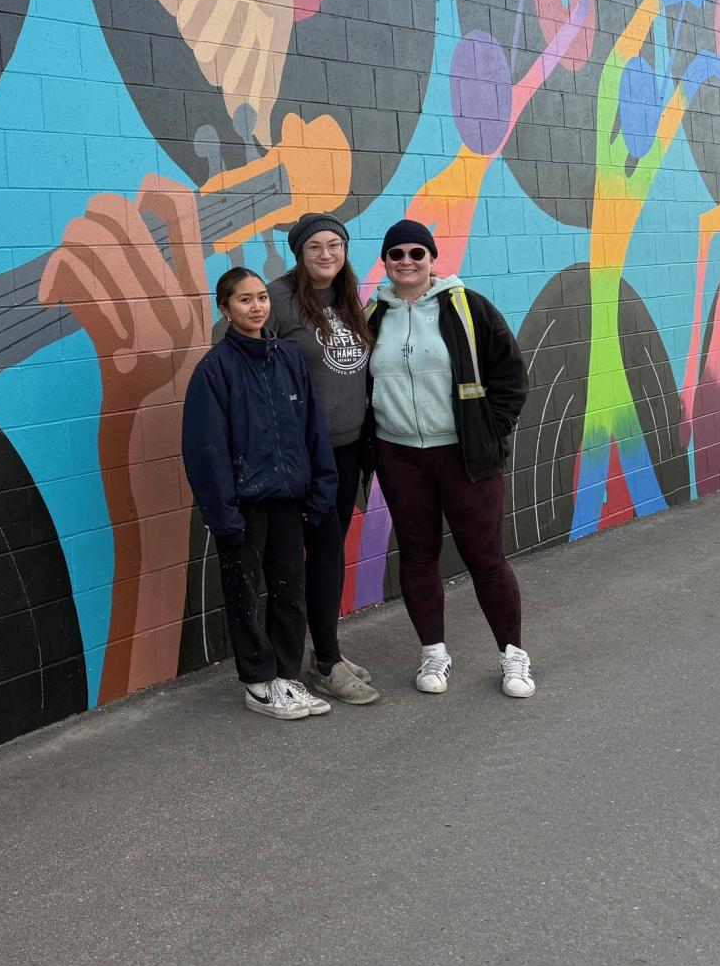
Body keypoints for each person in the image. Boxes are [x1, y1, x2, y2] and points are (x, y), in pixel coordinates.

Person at [364, 219, 535, 698]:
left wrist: (489, 429)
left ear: (432, 259)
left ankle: (513, 656)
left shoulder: (468, 306)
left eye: (417, 253)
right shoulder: (373, 314)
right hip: (400, 456)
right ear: (386, 262)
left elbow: (511, 375)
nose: (407, 262)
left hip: (465, 456)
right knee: (418, 557)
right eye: (396, 254)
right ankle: (433, 654)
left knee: (486, 558)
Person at [181, 267, 340, 720]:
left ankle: (287, 676)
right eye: (244, 300)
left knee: (291, 590)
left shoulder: (288, 357)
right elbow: (204, 448)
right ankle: (258, 682)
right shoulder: (214, 370)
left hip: (289, 500)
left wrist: (319, 489)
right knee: (245, 594)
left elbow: (313, 428)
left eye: (261, 298)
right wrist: (222, 513)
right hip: (243, 508)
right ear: (225, 309)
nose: (256, 307)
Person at [269, 213, 381, 705]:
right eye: (315, 246)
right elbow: (249, 367)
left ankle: (325, 653)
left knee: (330, 552)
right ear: (299, 252)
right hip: (304, 454)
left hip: (348, 447)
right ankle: (323, 663)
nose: (326, 255)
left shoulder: (349, 296)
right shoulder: (277, 299)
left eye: (335, 245)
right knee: (313, 553)